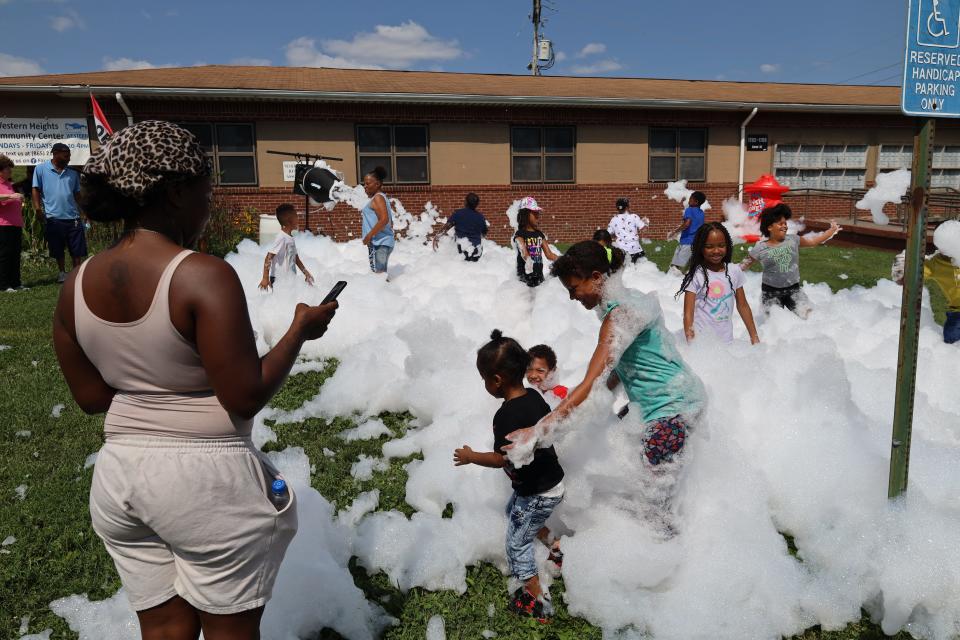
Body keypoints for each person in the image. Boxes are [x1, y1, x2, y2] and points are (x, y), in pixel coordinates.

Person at [52, 121, 338, 640]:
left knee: (162, 629)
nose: (210, 204)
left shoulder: (76, 282)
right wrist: (298, 331)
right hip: (206, 484)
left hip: (120, 478)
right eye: (207, 191)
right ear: (177, 191)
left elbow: (92, 398)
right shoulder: (202, 274)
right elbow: (244, 395)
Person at [505, 241, 706, 530]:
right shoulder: (626, 303)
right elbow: (613, 373)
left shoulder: (619, 316)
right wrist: (587, 403)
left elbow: (593, 379)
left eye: (574, 288)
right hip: (677, 400)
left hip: (672, 409)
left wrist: (538, 432)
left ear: (597, 277)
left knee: (655, 502)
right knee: (628, 458)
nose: (573, 297)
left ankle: (665, 556)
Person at [454, 330, 564, 622]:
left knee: (516, 543)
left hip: (537, 492)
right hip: (548, 483)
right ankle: (556, 549)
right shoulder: (536, 398)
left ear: (496, 380)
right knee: (513, 512)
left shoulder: (505, 416)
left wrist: (470, 457)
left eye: (483, 378)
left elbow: (499, 458)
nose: (484, 384)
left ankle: (538, 601)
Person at [739, 204, 840, 319]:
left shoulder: (793, 240)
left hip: (793, 290)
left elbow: (813, 241)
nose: (785, 226)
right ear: (769, 227)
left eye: (785, 223)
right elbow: (744, 265)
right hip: (771, 293)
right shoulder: (760, 248)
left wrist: (831, 231)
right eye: (780, 223)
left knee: (810, 318)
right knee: (773, 324)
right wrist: (726, 274)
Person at [677, 222, 760, 345]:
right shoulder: (696, 275)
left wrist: (754, 338)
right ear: (700, 248)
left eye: (721, 245)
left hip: (727, 343)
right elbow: (688, 314)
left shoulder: (734, 271)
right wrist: (691, 344)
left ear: (727, 246)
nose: (716, 251)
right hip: (702, 343)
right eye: (709, 246)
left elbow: (743, 306)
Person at [892, 219, 960, 344]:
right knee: (951, 342)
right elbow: (909, 276)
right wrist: (902, 265)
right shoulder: (936, 262)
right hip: (957, 313)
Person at [32, 142, 87, 283]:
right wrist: (38, 209)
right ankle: (62, 273)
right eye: (66, 156)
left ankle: (76, 274)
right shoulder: (40, 169)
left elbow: (77, 194)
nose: (68, 159)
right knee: (58, 248)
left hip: (73, 217)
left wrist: (84, 211)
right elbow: (36, 189)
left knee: (77, 248)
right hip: (53, 217)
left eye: (69, 156)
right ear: (55, 153)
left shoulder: (73, 172)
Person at [259, 203, 314, 290]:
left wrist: (305, 272)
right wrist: (265, 278)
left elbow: (296, 258)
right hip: (279, 278)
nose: (298, 218)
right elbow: (269, 257)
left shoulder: (290, 238)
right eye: (296, 216)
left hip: (289, 278)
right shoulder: (281, 237)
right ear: (289, 220)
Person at [513, 197, 559, 287]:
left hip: (538, 277)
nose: (538, 216)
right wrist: (529, 263)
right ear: (525, 214)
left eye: (538, 213)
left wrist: (565, 259)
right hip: (524, 279)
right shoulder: (520, 234)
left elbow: (549, 255)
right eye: (534, 213)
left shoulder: (539, 234)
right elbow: (524, 253)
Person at [360, 166, 395, 277]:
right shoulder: (381, 197)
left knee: (379, 278)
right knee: (379, 276)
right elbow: (390, 222)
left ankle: (389, 294)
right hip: (380, 243)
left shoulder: (378, 198)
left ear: (377, 184)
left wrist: (369, 236)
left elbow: (384, 219)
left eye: (367, 183)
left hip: (380, 244)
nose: (365, 186)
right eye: (364, 184)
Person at [432, 192, 488, 261]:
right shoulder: (480, 217)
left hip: (462, 250)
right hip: (476, 251)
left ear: (466, 202)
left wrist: (437, 237)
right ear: (476, 204)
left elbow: (446, 227)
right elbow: (484, 232)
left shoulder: (458, 214)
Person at [0, 154, 24, 291]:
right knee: (5, 255)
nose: (10, 171)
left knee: (15, 254)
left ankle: (16, 283)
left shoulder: (10, 184)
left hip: (16, 224)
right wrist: (10, 195)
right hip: (3, 225)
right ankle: (4, 284)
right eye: (7, 169)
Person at [668, 191, 706, 273]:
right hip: (696, 243)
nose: (688, 201)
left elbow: (687, 223)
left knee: (676, 268)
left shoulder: (689, 210)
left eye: (691, 199)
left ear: (696, 202)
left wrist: (675, 232)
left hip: (687, 242)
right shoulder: (701, 213)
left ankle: (674, 283)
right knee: (690, 268)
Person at [526, 344, 569, 409]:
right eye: (529, 369)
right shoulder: (527, 393)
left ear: (551, 371)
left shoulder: (562, 393)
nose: (533, 375)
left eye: (540, 370)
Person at [607, 197, 648, 263]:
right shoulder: (634, 216)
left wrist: (617, 235)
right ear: (627, 207)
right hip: (635, 249)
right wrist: (646, 223)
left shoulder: (613, 219)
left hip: (621, 250)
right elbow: (644, 229)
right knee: (640, 270)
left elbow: (609, 234)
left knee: (624, 271)